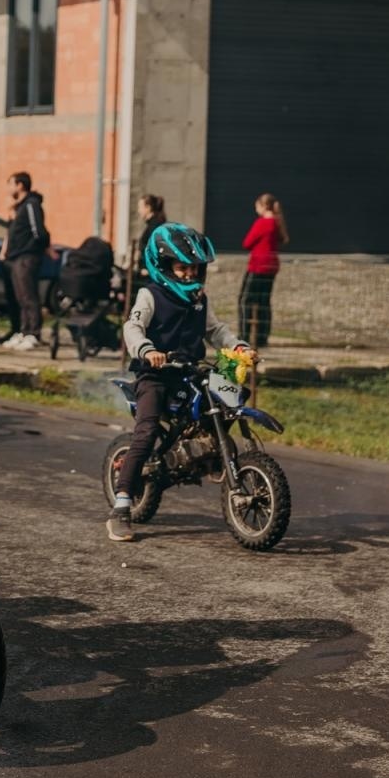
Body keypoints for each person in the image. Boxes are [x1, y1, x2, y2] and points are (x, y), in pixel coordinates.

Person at [108, 223, 253, 542]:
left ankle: (213, 453)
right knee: (146, 431)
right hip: (155, 374)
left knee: (231, 397)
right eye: (182, 268)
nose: (190, 274)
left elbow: (215, 330)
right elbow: (132, 328)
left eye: (195, 268)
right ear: (163, 267)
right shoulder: (150, 294)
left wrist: (238, 346)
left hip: (190, 371)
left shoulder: (200, 298)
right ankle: (121, 506)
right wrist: (147, 350)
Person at [0, 171, 48, 350]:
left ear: (20, 185)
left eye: (11, 184)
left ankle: (33, 333)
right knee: (20, 297)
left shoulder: (31, 204)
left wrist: (32, 249)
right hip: (16, 257)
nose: (8, 189)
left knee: (29, 296)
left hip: (27, 257)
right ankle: (24, 330)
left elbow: (39, 232)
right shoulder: (19, 207)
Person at [240, 193, 288, 348]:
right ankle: (262, 337)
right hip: (271, 266)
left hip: (258, 266)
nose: (256, 209)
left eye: (257, 206)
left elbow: (247, 243)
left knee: (245, 300)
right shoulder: (276, 222)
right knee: (263, 301)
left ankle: (244, 335)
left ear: (264, 206)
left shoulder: (263, 223)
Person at [130, 193, 167, 295]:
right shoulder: (153, 224)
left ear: (148, 208)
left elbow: (157, 250)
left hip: (150, 275)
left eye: (140, 207)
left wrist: (148, 269)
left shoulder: (155, 226)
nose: (138, 211)